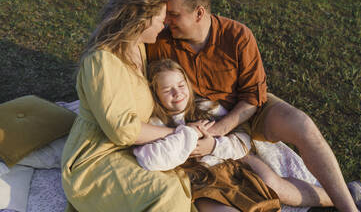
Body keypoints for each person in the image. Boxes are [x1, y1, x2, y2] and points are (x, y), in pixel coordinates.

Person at [146, 0, 361, 212]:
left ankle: (349, 206)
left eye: (174, 15)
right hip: (195, 118)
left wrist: (218, 132)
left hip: (243, 111)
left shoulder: (237, 36)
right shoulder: (160, 42)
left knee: (303, 125)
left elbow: (252, 98)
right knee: (267, 183)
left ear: (199, 13)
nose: (166, 21)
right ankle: (350, 194)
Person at [61, 0, 195, 212]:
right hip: (94, 161)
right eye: (160, 19)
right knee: (166, 192)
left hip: (131, 153)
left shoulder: (138, 47)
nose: (164, 25)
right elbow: (123, 130)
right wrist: (178, 133)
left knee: (180, 182)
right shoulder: (101, 62)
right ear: (141, 20)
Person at [133, 59, 334, 211]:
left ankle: (339, 198)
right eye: (168, 90)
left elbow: (242, 137)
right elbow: (151, 159)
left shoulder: (205, 106)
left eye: (181, 85)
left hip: (232, 161)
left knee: (274, 185)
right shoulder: (156, 122)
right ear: (156, 94)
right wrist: (188, 133)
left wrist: (213, 146)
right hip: (200, 179)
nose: (177, 93)